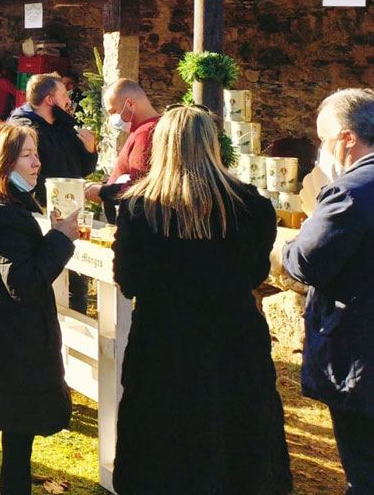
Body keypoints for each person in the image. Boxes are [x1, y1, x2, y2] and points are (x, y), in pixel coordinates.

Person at [114, 106, 291, 494]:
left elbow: (129, 280)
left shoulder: (140, 208)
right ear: (212, 144)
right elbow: (255, 273)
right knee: (235, 439)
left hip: (164, 341)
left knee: (164, 443)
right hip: (232, 337)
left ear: (162, 147)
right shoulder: (251, 206)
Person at [0, 122, 79, 494]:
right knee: (17, 444)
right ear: (4, 162)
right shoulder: (4, 215)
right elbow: (22, 285)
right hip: (14, 350)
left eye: (36, 154)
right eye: (27, 155)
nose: (37, 163)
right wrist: (60, 239)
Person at [284, 88, 374, 494]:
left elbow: (306, 262)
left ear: (347, 138)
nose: (322, 149)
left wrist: (289, 245)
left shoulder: (350, 191)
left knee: (363, 469)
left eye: (324, 139)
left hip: (360, 350)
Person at [8, 72, 97, 313]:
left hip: (72, 212)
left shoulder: (63, 126)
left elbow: (83, 170)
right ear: (50, 99)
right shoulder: (23, 129)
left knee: (77, 282)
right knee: (51, 278)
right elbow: (25, 177)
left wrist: (90, 151)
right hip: (42, 213)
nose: (68, 99)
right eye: (64, 94)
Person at [84, 79, 161, 220]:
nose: (112, 118)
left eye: (113, 111)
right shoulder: (145, 129)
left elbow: (139, 186)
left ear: (130, 104)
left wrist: (102, 192)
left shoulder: (145, 133)